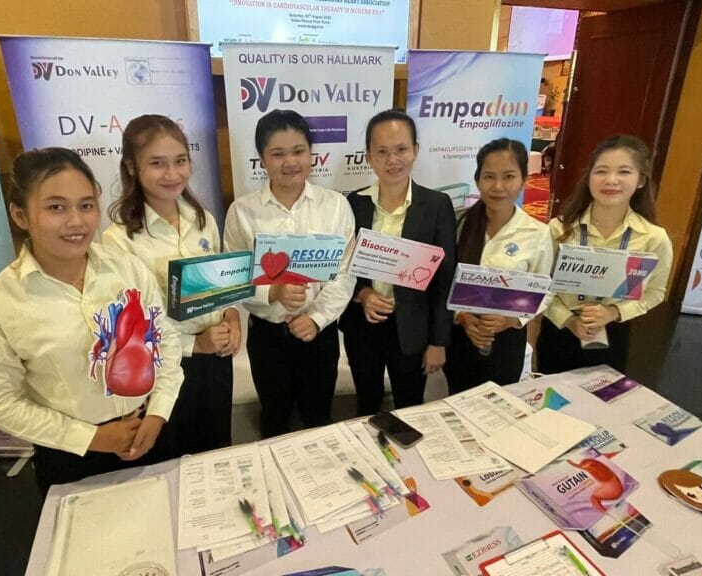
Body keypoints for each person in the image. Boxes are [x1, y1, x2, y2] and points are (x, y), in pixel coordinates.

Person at [0, 148, 183, 493]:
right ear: (20, 215)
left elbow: (164, 340)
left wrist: (158, 413)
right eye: (56, 207)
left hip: (151, 430)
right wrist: (91, 437)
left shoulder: (126, 268)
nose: (77, 221)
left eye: (86, 205)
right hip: (71, 455)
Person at [103, 114, 239, 456]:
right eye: (157, 163)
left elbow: (221, 284)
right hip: (166, 366)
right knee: (174, 457)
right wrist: (196, 344)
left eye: (180, 161)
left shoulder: (203, 220)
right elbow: (132, 326)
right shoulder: (119, 240)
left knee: (217, 450)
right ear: (132, 167)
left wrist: (232, 316)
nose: (172, 173)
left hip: (217, 359)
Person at [223, 109, 355, 438]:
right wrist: (272, 292)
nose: (290, 162)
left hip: (319, 336)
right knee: (274, 420)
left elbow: (345, 273)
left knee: (318, 420)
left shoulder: (335, 206)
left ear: (312, 154)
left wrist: (317, 318)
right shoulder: (242, 211)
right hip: (268, 339)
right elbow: (232, 278)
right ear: (262, 159)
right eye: (278, 154)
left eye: (298, 151)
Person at [339, 109, 456, 415]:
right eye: (382, 152)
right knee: (367, 405)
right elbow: (343, 267)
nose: (393, 159)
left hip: (413, 329)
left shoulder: (437, 205)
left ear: (415, 150)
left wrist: (438, 342)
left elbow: (444, 280)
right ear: (369, 157)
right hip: (363, 327)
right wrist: (363, 294)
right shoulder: (353, 204)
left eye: (401, 149)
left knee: (410, 407)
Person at [536, 134, 673, 373]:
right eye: (601, 171)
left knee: (601, 394)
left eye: (624, 172)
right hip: (559, 331)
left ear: (641, 180)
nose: (611, 180)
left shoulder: (653, 237)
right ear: (589, 177)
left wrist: (614, 312)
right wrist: (569, 320)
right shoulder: (559, 229)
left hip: (612, 332)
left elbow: (656, 292)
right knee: (550, 394)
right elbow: (540, 285)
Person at [443, 138, 553, 394]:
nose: (498, 186)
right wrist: (462, 316)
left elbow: (546, 291)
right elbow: (444, 280)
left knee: (501, 405)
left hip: (507, 341)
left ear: (524, 180)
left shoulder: (537, 233)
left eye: (509, 176)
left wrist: (512, 319)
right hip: (461, 338)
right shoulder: (459, 224)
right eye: (489, 176)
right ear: (477, 180)